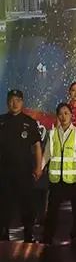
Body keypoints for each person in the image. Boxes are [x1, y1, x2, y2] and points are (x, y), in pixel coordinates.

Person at [0, 89, 44, 243]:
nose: (15, 103)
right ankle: (3, 233)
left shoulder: (29, 122)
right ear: (7, 102)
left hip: (24, 171)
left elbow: (37, 146)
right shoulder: (1, 121)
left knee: (27, 204)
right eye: (12, 100)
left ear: (22, 102)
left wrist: (38, 167)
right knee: (4, 204)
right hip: (4, 171)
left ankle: (28, 233)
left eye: (18, 100)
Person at [41, 103, 76, 245]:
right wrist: (40, 168)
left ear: (71, 115)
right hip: (56, 179)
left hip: (73, 179)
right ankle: (47, 237)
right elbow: (47, 153)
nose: (63, 116)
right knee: (52, 210)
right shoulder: (53, 133)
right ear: (57, 116)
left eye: (66, 113)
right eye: (60, 114)